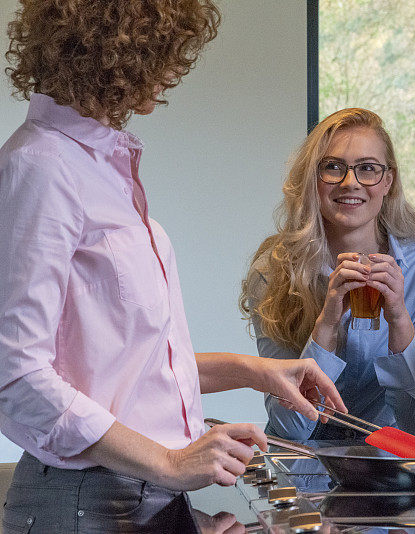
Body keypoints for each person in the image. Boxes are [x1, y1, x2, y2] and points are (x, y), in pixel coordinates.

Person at [0, 2, 345, 532]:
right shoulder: (40, 167)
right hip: (87, 502)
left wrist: (256, 373)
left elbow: (127, 367)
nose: (168, 74)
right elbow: (15, 376)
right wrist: (169, 462)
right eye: (164, 53)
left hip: (138, 496)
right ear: (123, 52)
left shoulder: (96, 163)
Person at [242, 108, 415, 441]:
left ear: (388, 181)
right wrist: (326, 324)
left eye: (368, 169)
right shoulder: (274, 272)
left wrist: (400, 319)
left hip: (387, 471)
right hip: (300, 465)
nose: (351, 182)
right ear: (311, 180)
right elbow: (289, 430)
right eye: (333, 167)